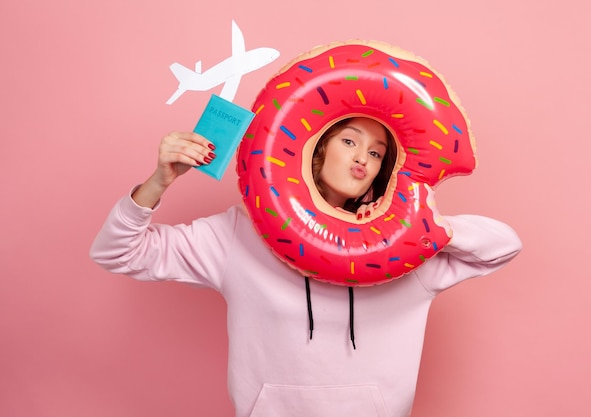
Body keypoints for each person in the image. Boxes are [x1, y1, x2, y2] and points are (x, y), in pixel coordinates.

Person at [90, 116, 522, 417]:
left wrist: (425, 228)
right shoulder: (242, 233)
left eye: (375, 152)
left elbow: (503, 246)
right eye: (349, 141)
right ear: (317, 149)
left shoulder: (405, 251)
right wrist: (159, 181)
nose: (362, 158)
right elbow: (118, 251)